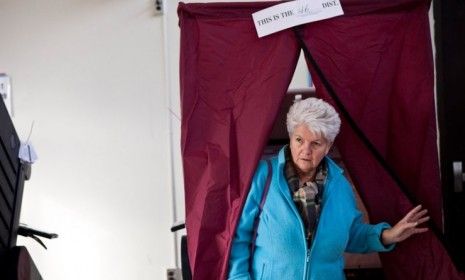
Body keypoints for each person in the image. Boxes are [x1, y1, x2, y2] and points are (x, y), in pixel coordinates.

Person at [228, 97, 429, 280]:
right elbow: (238, 238)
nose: (305, 150)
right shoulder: (263, 176)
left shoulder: (340, 186)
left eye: (315, 143)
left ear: (328, 145)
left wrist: (387, 235)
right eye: (299, 140)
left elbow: (350, 234)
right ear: (290, 137)